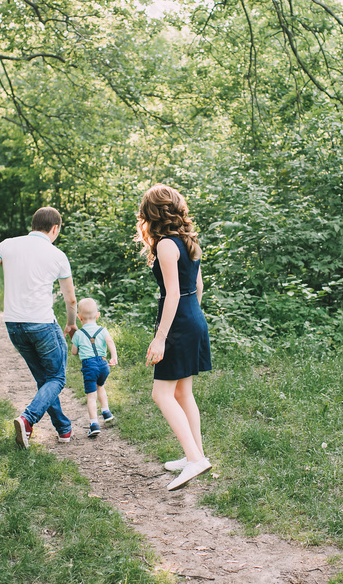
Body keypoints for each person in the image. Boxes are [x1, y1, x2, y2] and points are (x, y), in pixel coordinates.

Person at [0, 207, 78, 448]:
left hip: (13, 324)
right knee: (56, 377)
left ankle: (64, 429)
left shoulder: (8, 244)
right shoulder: (57, 255)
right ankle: (27, 419)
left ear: (33, 224)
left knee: (45, 379)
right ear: (55, 229)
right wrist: (71, 323)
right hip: (42, 324)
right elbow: (71, 299)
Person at [136, 184, 213, 491]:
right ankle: (194, 453)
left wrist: (161, 338)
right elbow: (198, 285)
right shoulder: (188, 240)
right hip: (193, 317)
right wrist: (193, 318)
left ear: (150, 213)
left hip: (179, 323)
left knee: (161, 394)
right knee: (182, 393)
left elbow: (173, 294)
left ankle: (195, 460)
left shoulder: (167, 244)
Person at [70, 298, 119, 437]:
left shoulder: (79, 334)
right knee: (100, 386)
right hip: (103, 364)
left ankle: (94, 424)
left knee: (91, 397)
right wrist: (113, 356)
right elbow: (110, 342)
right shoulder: (103, 330)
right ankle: (106, 411)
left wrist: (78, 345)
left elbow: (74, 352)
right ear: (98, 315)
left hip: (89, 366)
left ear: (79, 317)